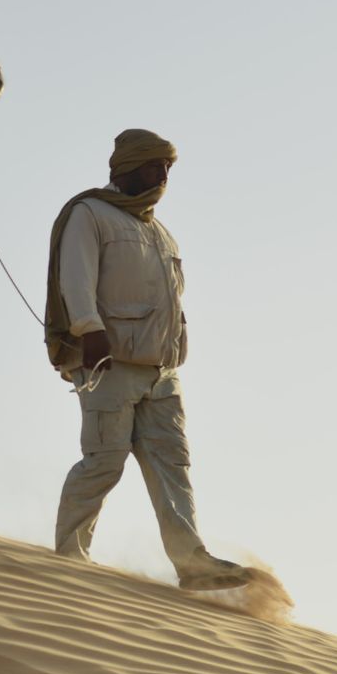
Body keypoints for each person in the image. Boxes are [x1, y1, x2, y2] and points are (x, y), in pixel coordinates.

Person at [43, 128, 250, 591]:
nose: (162, 176)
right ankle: (68, 558)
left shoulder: (160, 232)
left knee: (171, 466)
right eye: (154, 166)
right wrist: (88, 331)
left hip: (162, 373)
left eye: (168, 168)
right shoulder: (89, 213)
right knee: (104, 461)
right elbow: (75, 279)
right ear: (126, 168)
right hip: (108, 364)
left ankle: (193, 564)